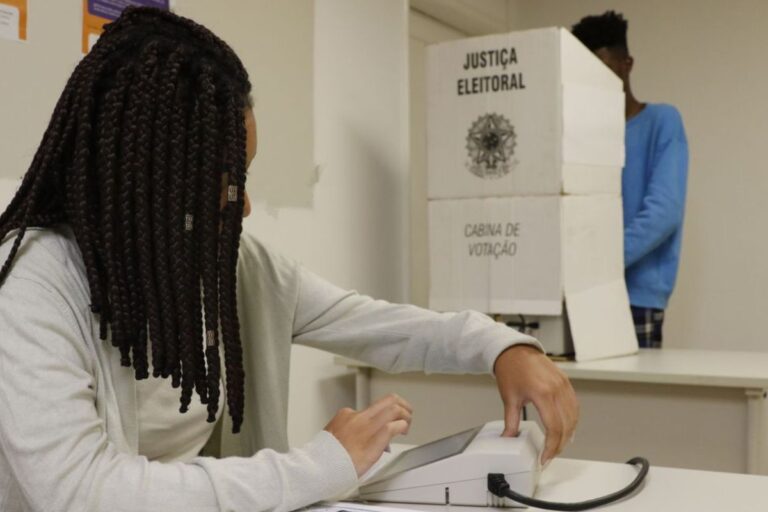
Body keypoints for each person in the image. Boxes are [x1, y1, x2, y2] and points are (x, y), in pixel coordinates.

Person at [0, 7, 578, 511]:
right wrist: (320, 464)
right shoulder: (33, 285)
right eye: (229, 183)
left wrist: (501, 347)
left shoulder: (233, 267)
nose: (245, 206)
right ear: (155, 182)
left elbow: (379, 324)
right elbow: (78, 494)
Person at [572, 11, 689, 348]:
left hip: (637, 295)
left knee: (636, 399)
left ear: (627, 63)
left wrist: (598, 264)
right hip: (581, 294)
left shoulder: (662, 121)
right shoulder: (583, 136)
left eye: (603, 69)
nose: (595, 81)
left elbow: (663, 212)